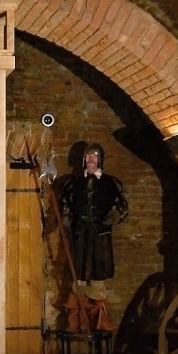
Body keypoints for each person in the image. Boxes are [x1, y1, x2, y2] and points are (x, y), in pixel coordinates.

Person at [59, 142, 129, 332]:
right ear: (84, 159)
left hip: (100, 233)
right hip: (80, 233)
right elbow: (64, 206)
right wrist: (65, 221)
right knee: (78, 274)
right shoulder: (73, 183)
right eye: (88, 156)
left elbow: (122, 206)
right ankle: (75, 322)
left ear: (100, 159)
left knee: (99, 274)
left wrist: (113, 216)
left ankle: (100, 321)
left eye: (94, 156)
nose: (91, 159)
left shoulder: (110, 183)